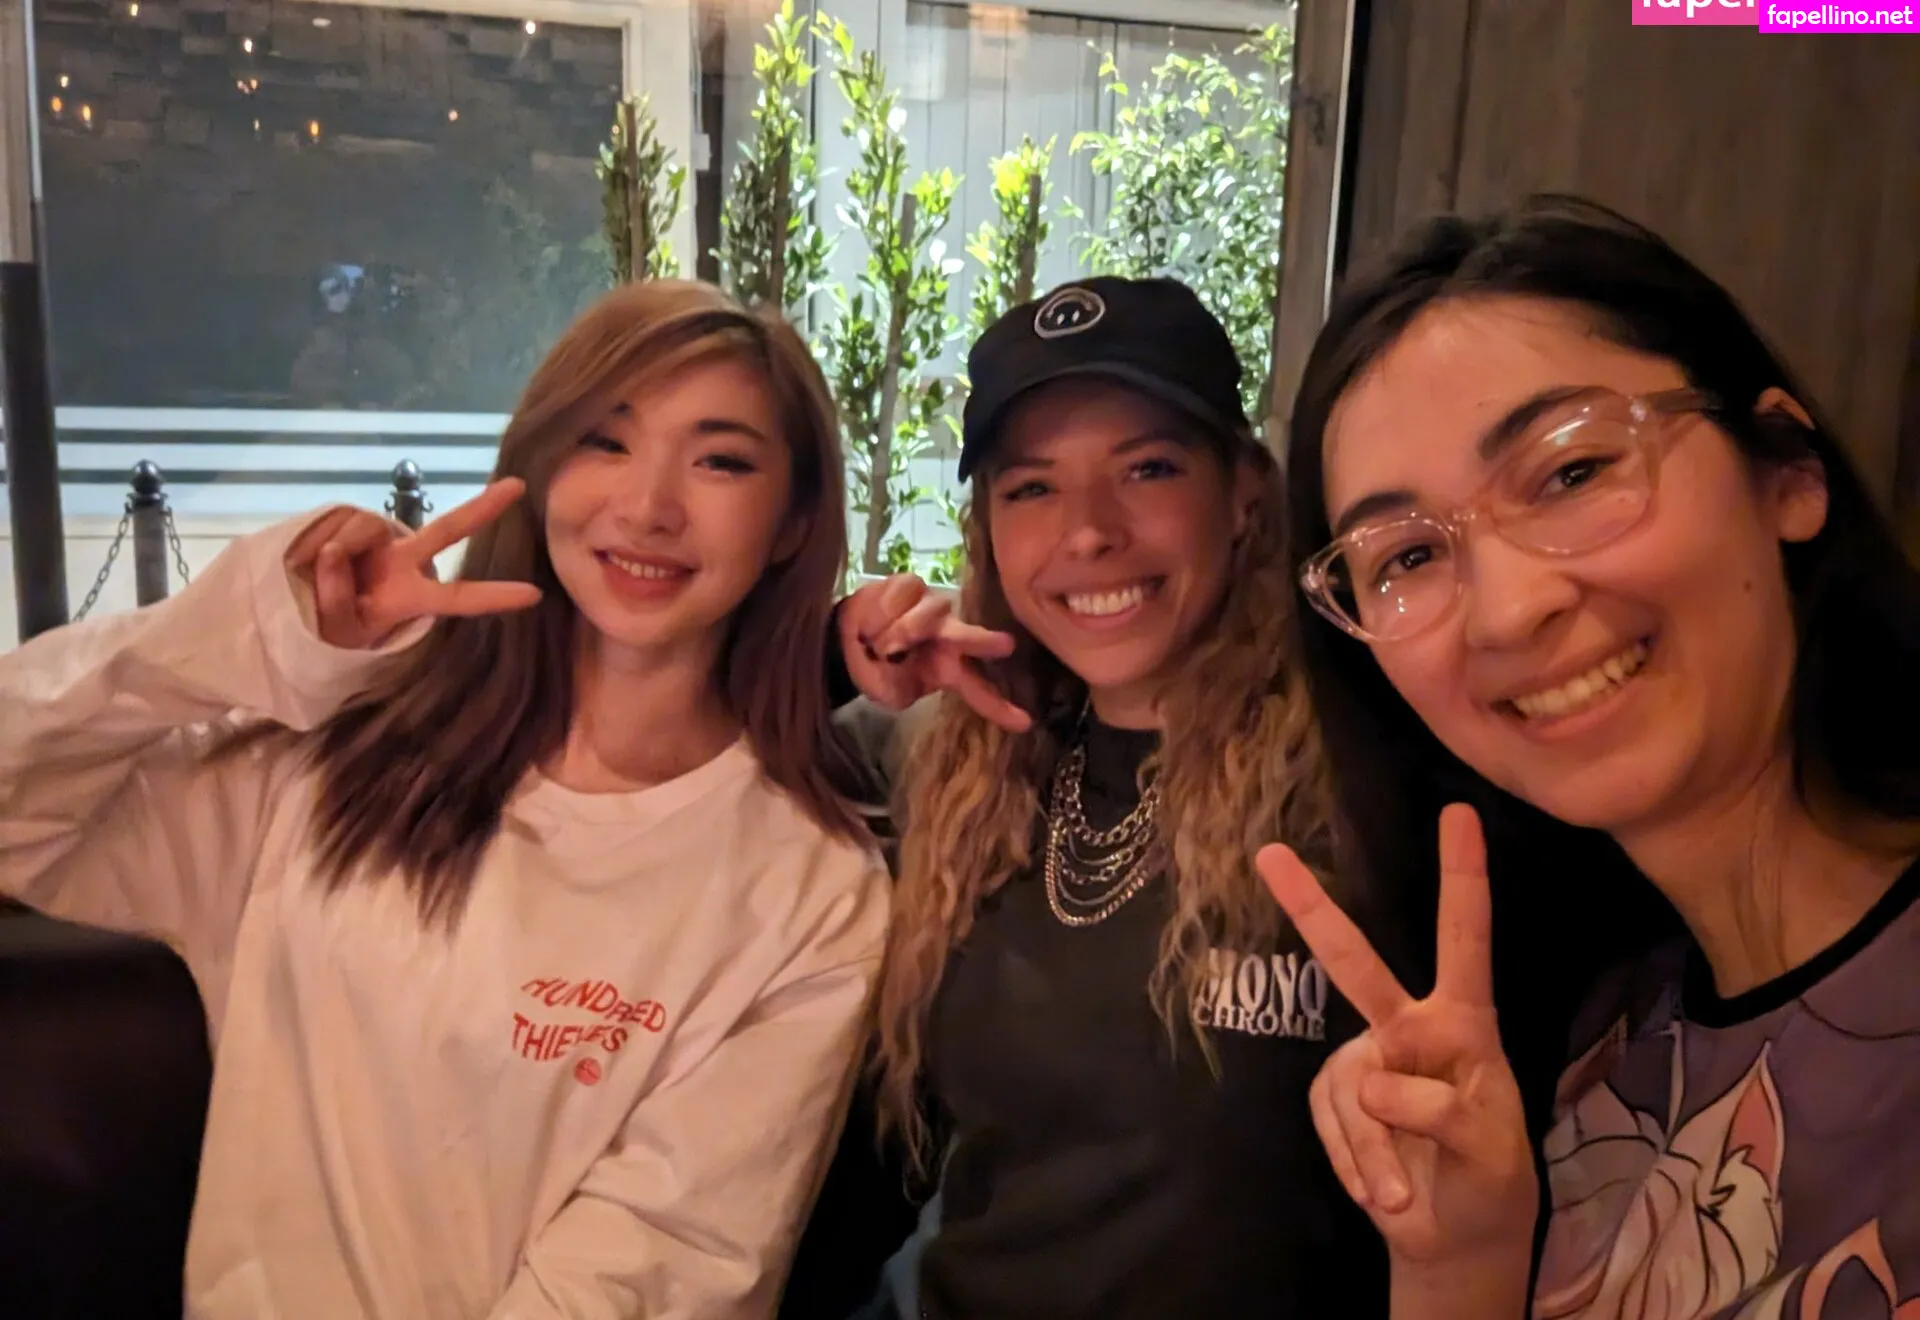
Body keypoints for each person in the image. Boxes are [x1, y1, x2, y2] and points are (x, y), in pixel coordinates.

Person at [0, 279, 891, 1320]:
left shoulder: (809, 889)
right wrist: (258, 637)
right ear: (539, 469)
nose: (648, 506)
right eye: (605, 441)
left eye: (721, 461)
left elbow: (662, 1265)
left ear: (790, 523)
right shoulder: (331, 766)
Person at [1258, 194, 1920, 1318]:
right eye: (1406, 556)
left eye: (1570, 471)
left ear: (1787, 472)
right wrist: (1458, 1262)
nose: (1508, 610)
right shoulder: (1592, 1045)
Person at [828, 275, 1389, 1319]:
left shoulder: (1363, 770)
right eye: (1031, 489)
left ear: (1244, 494)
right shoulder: (962, 758)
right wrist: (834, 647)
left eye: (1148, 469)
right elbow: (692, 738)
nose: (1088, 533)